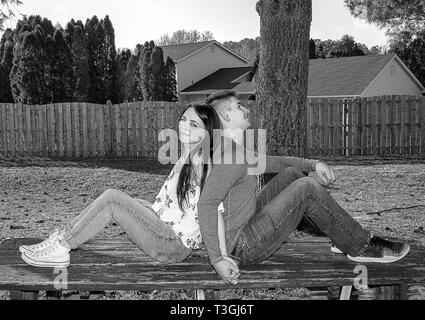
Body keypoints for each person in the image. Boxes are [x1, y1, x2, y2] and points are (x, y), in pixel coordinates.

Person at [198, 90, 410, 284]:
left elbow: (279, 163)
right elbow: (206, 204)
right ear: (225, 117)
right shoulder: (229, 157)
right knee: (306, 188)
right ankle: (360, 245)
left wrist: (314, 164)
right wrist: (218, 260)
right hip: (242, 246)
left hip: (244, 223)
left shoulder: (234, 150)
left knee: (290, 175)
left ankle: (341, 236)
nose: (246, 109)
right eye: (238, 106)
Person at [19, 103, 238, 280]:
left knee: (113, 199)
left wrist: (222, 257)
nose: (184, 126)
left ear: (207, 132)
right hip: (164, 232)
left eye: (193, 124)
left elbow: (214, 211)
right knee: (121, 200)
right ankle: (61, 238)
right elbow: (175, 206)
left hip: (172, 245)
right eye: (183, 119)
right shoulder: (187, 157)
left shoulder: (203, 165)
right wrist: (144, 206)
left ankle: (62, 246)